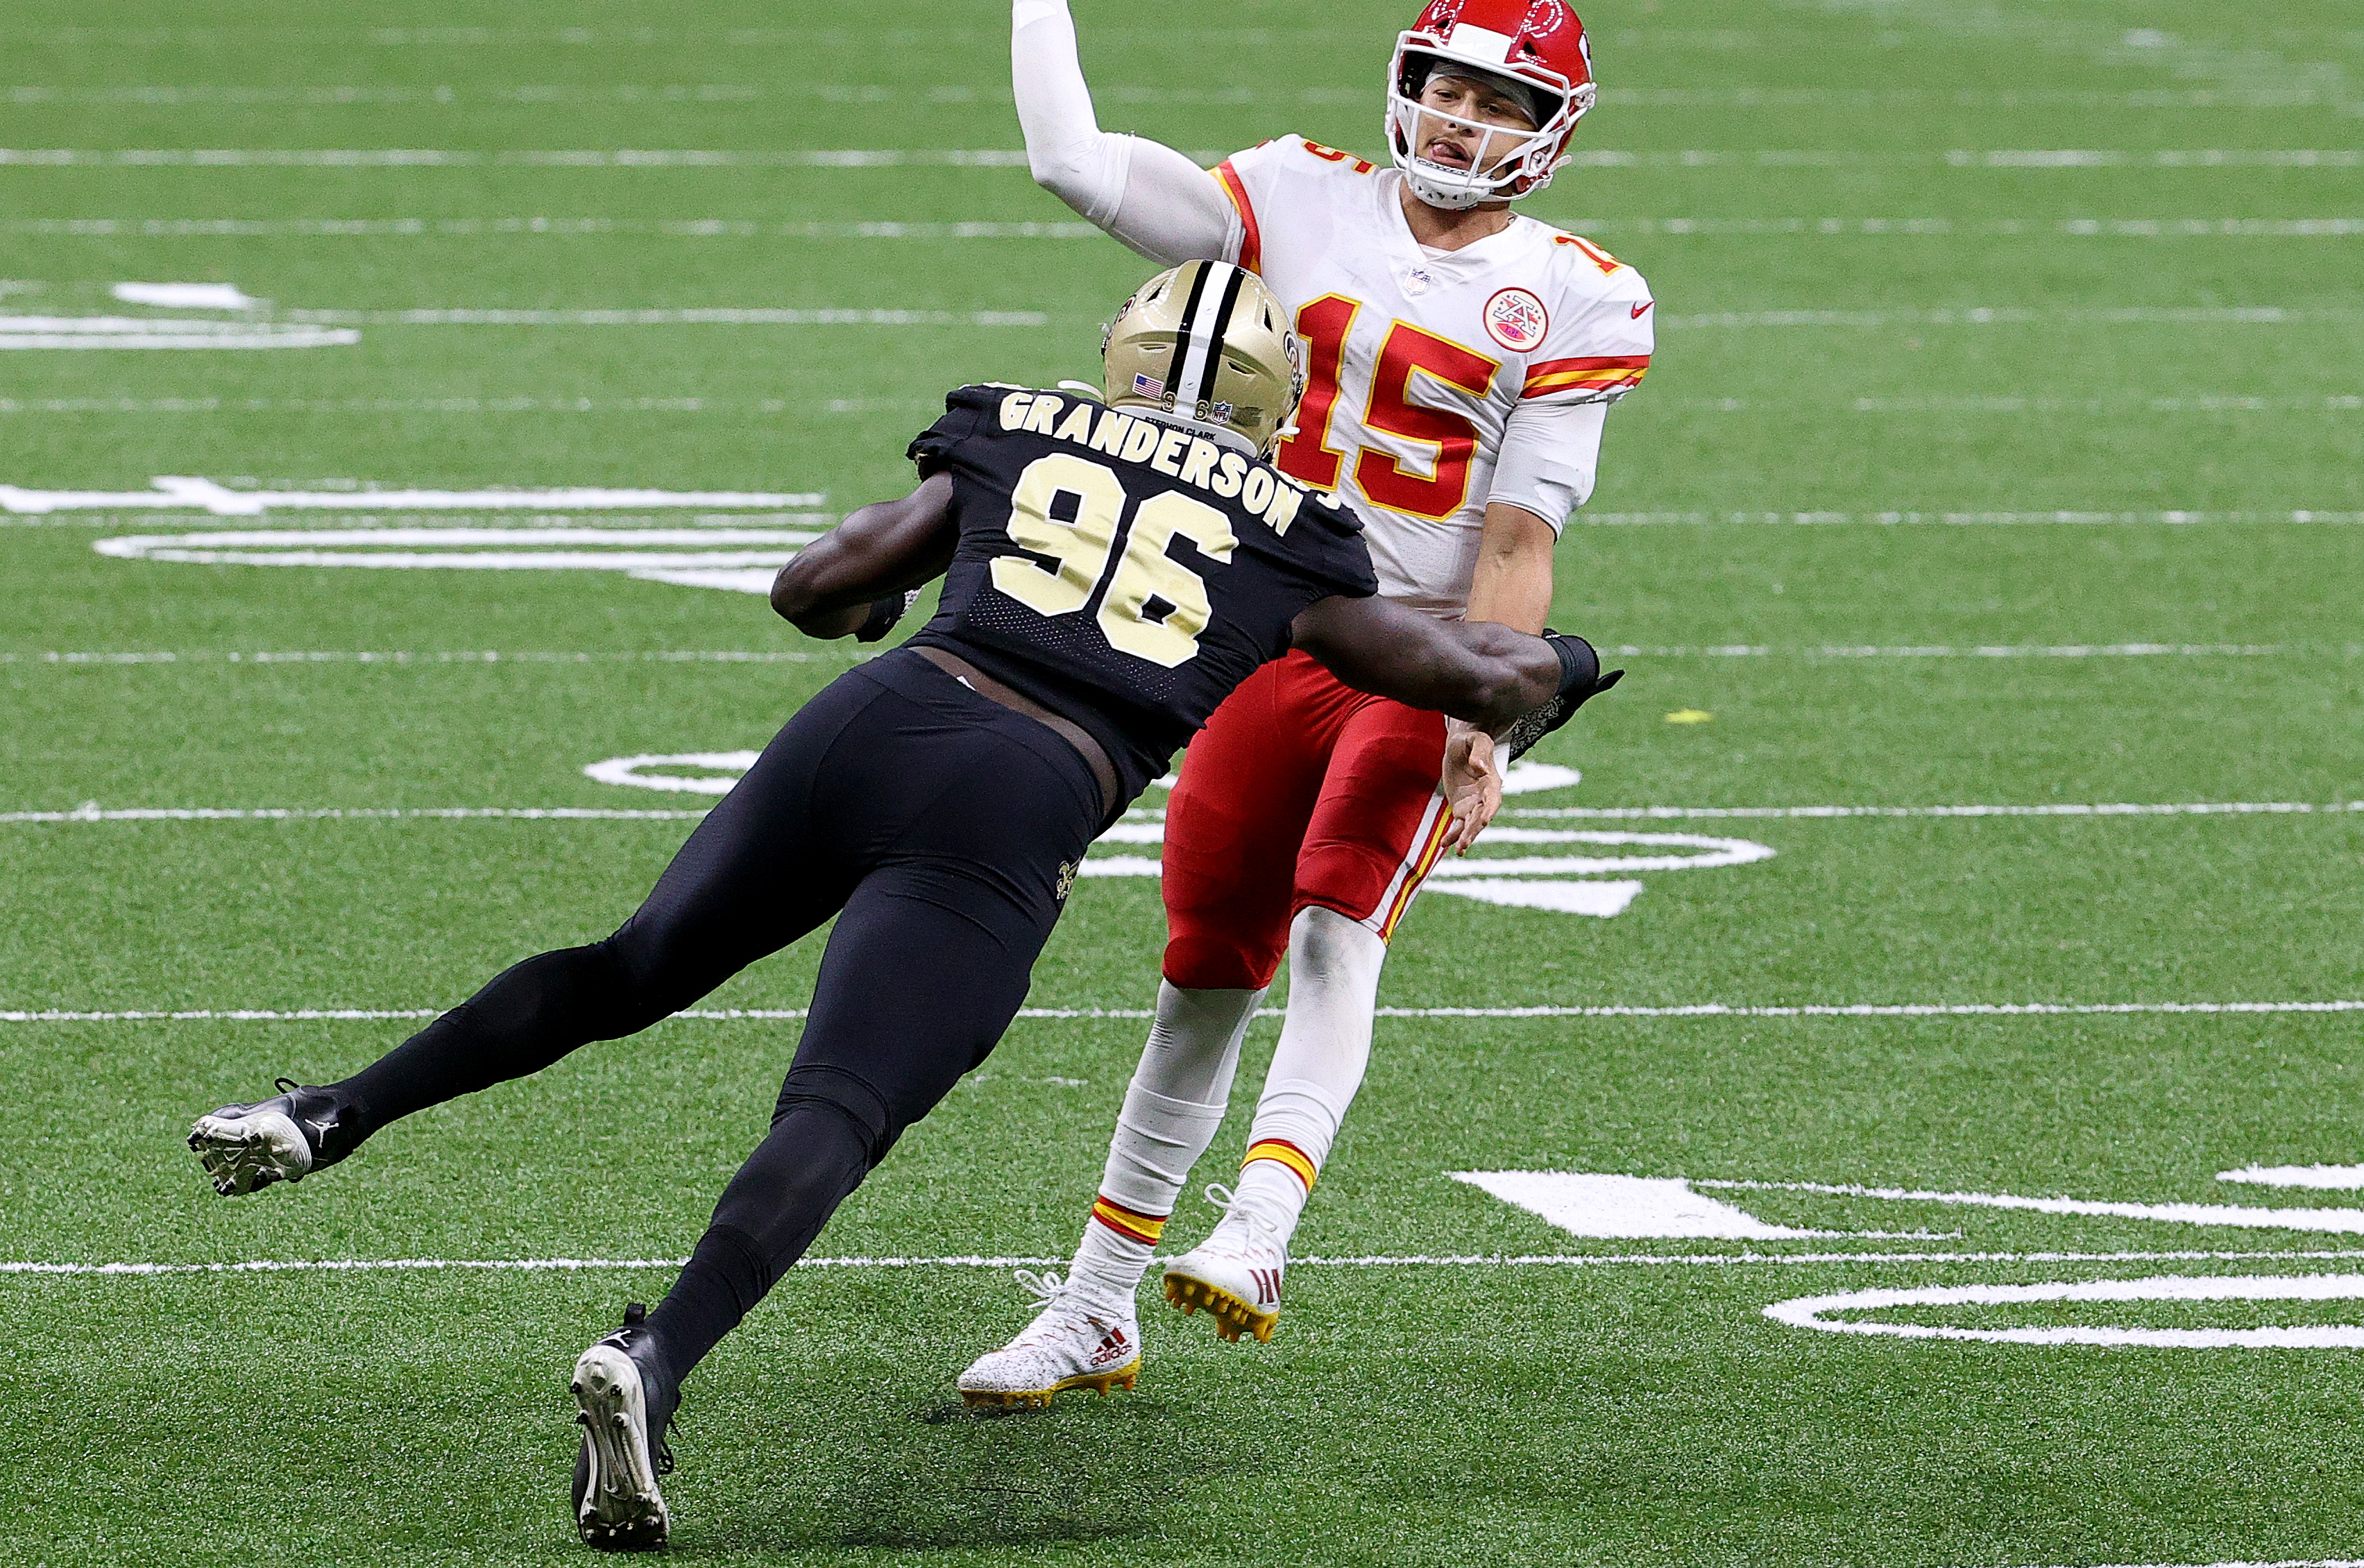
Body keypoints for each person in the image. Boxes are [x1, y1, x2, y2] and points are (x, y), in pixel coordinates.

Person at [186, 262, 1620, 1552]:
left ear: (1116, 354)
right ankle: (660, 1351)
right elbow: (1477, 676)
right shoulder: (1300, 530)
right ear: (1277, 401)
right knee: (838, 1106)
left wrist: (868, 609)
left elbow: (816, 584)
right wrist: (1572, 653)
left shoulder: (1019, 424)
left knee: (626, 963)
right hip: (1022, 793)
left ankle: (333, 1110)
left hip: (873, 715)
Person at [958, 0, 1656, 1403]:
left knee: (1343, 922)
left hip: (1423, 651)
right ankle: (1094, 1305)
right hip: (1271, 635)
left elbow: (1521, 533)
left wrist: (1490, 713)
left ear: (1554, 129)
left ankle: (1263, 1222)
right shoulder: (1294, 195)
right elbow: (1072, 165)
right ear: (1408, 81)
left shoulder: (1579, 289)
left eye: (1506, 101)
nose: (1465, 119)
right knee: (1202, 970)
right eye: (1448, 85)